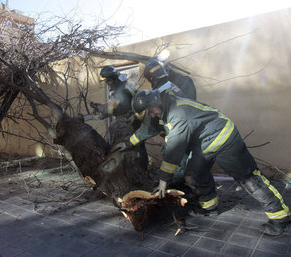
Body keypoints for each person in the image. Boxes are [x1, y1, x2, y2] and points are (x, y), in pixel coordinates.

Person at [119, 89, 291, 236]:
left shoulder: (179, 116)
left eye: (150, 111)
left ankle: (280, 218)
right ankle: (210, 207)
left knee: (249, 179)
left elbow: (173, 154)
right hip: (205, 142)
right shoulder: (163, 107)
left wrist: (164, 181)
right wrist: (128, 143)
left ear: (154, 103)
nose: (151, 115)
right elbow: (149, 128)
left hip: (224, 138)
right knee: (194, 172)